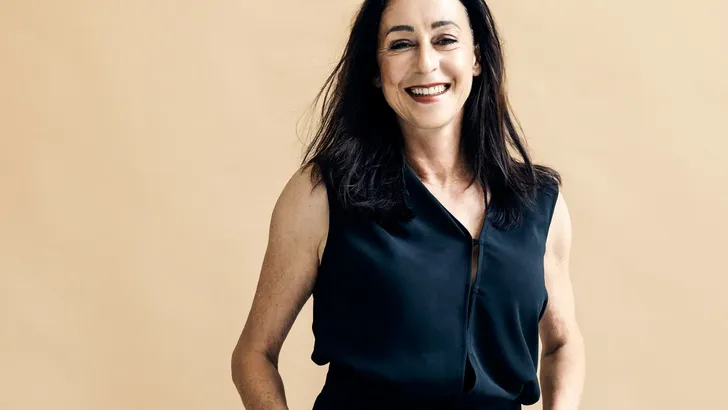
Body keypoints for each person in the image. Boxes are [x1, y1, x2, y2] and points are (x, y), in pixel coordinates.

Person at [231, 0, 585, 408]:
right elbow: (254, 354)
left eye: (445, 39)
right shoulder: (321, 194)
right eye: (401, 44)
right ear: (376, 71)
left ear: (476, 58)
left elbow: (562, 343)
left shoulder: (539, 203)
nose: (426, 63)